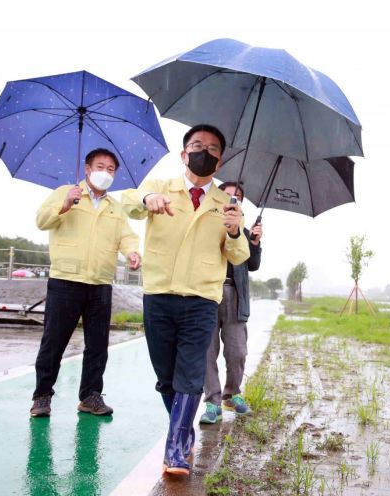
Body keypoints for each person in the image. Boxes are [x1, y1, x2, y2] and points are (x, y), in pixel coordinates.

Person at [122, 124, 249, 476]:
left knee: (191, 375)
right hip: (159, 294)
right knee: (166, 378)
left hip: (201, 299)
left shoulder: (228, 204)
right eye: (196, 145)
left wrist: (236, 230)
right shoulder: (161, 187)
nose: (203, 151)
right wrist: (147, 200)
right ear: (183, 154)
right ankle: (184, 432)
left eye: (211, 148)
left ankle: (175, 450)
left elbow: (238, 256)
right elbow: (128, 202)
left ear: (219, 161)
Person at [30, 148, 141, 418]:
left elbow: (126, 236)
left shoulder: (114, 207)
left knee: (97, 345)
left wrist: (132, 252)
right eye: (100, 166)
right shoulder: (65, 193)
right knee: (54, 342)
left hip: (101, 282)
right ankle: (42, 396)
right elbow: (41, 221)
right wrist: (65, 204)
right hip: (66, 279)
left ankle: (90, 395)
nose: (106, 172)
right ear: (87, 169)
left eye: (111, 169)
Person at [200, 182, 263, 424]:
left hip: (235, 296)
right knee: (207, 350)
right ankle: (213, 401)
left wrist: (255, 242)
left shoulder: (245, 233)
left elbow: (254, 265)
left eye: (237, 196)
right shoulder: (206, 226)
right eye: (227, 194)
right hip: (207, 292)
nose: (232, 198)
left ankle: (232, 394)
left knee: (237, 351)